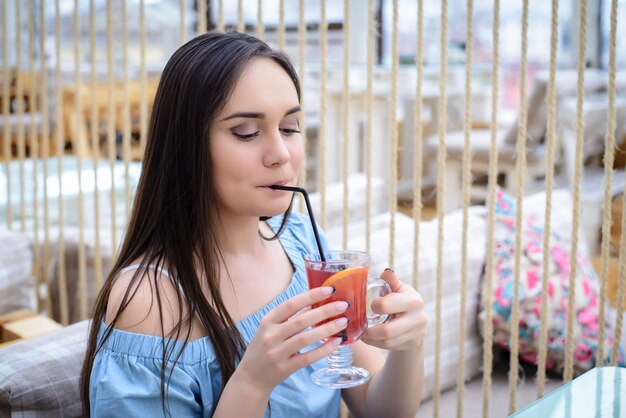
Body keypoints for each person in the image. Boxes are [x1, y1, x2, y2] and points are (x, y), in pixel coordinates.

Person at [80, 31, 427, 418]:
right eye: (246, 132)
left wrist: (408, 347)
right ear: (186, 145)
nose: (281, 154)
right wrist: (252, 382)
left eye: (291, 127)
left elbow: (382, 411)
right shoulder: (149, 302)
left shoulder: (302, 244)